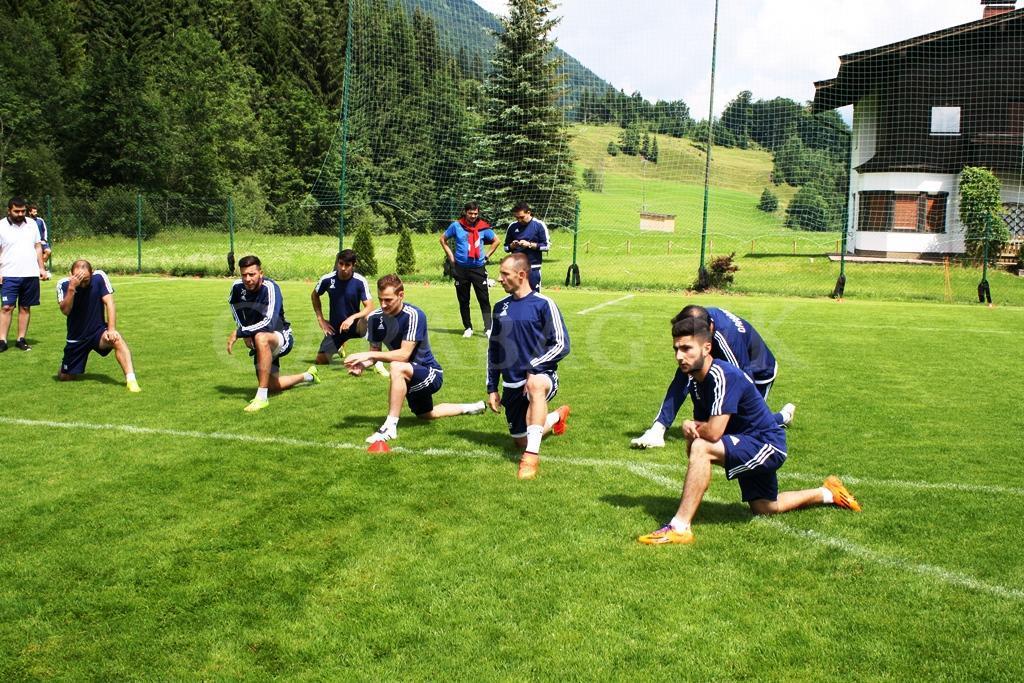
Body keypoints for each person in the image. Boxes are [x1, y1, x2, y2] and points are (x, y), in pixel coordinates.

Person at [637, 316, 860, 546]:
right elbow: (697, 439)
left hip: (767, 445)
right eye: (676, 349)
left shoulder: (723, 376)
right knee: (765, 507)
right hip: (747, 441)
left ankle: (679, 527)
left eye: (686, 348)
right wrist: (690, 430)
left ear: (706, 348)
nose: (679, 356)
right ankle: (828, 493)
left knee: (703, 447)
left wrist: (691, 427)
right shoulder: (696, 381)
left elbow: (711, 434)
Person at [344, 274, 486, 444]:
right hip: (406, 377)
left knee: (396, 366)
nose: (383, 304)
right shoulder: (375, 318)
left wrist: (368, 355)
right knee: (427, 414)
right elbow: (374, 354)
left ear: (401, 295)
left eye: (388, 300)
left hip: (429, 373)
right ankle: (471, 407)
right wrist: (362, 365)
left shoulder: (414, 315)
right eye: (380, 299)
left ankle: (389, 428)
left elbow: (403, 355)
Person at [631, 304, 796, 448]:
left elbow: (744, 380)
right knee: (684, 374)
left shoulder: (728, 339)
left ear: (708, 330)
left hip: (759, 371)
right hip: (727, 362)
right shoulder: (700, 317)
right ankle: (657, 430)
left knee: (747, 425)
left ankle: (782, 417)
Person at [486, 253, 571, 480]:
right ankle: (556, 417)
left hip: (542, 377)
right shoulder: (500, 307)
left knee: (535, 385)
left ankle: (531, 458)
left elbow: (561, 344)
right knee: (520, 441)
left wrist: (533, 367)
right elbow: (494, 350)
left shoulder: (544, 304)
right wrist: (492, 387)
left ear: (522, 275)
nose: (500, 278)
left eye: (505, 274)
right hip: (512, 384)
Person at [228, 255, 319, 412]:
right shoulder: (237, 287)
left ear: (261, 273)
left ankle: (261, 399)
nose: (247, 279)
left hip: (280, 336)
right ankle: (309, 376)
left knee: (261, 337)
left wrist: (241, 332)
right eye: (244, 275)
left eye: (252, 274)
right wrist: (245, 330)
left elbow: (268, 323)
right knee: (272, 386)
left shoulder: (271, 288)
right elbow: (233, 305)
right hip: (260, 341)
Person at [56, 260, 140, 392]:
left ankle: (131, 381)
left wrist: (111, 329)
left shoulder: (99, 277)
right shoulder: (63, 284)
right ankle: (65, 366)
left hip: (98, 333)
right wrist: (72, 288)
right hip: (77, 338)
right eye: (79, 280)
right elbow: (65, 311)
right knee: (65, 377)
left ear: (92, 273)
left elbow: (110, 302)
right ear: (70, 274)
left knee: (117, 339)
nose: (83, 284)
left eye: (86, 280)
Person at [440, 201, 500, 337]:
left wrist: (486, 256)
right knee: (463, 300)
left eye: (475, 213)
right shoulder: (456, 226)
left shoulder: (483, 227)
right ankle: (468, 328)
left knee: (484, 299)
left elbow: (497, 240)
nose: (473, 216)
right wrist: (451, 256)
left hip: (478, 268)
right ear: (465, 212)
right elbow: (442, 239)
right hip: (461, 269)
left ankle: (488, 328)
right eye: (470, 213)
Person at [0, 196, 49, 352]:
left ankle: (21, 339)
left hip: (30, 273)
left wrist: (41, 268)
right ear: (9, 210)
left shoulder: (32, 224)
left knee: (25, 307)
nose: (20, 214)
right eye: (17, 211)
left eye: (22, 211)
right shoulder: (1, 226)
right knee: (7, 307)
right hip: (9, 273)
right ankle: (2, 340)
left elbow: (37, 247)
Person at [311, 249, 374, 364]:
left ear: (354, 265)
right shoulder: (327, 279)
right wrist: (321, 319)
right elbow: (314, 295)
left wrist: (352, 318)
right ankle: (339, 345)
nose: (343, 268)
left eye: (347, 265)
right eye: (340, 264)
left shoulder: (360, 281)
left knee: (370, 318)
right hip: (336, 328)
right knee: (321, 361)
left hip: (356, 325)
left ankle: (375, 359)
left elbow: (369, 307)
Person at [503, 202, 549, 292]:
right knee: (515, 295)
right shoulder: (512, 226)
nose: (519, 220)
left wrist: (529, 245)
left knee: (534, 295)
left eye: (522, 217)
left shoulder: (539, 225)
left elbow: (546, 246)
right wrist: (512, 246)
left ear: (528, 213)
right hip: (516, 268)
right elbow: (506, 248)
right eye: (517, 218)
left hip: (533, 267)